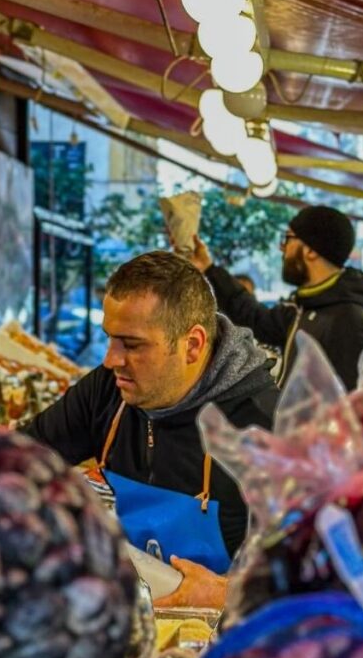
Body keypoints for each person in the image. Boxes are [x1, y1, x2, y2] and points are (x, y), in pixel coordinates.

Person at [20, 251, 278, 601]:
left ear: (193, 345)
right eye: (110, 338)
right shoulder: (107, 391)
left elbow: (323, 581)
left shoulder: (263, 427)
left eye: (132, 345)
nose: (111, 360)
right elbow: (20, 461)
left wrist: (226, 592)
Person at [188, 206, 363, 391]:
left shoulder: (349, 320)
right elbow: (256, 318)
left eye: (288, 238)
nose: (282, 248)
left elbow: (351, 408)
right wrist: (209, 268)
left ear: (311, 251)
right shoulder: (303, 307)